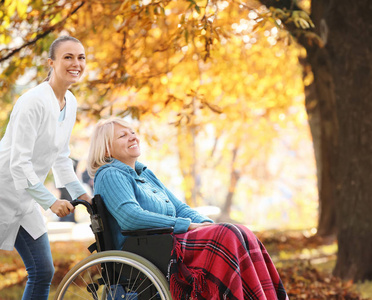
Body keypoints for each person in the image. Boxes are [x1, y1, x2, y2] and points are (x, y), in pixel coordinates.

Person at [87, 118, 288, 300]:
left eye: (132, 132)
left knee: (238, 231)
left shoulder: (144, 174)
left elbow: (179, 208)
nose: (132, 136)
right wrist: (186, 226)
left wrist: (206, 224)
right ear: (106, 150)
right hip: (148, 249)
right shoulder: (110, 174)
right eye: (123, 135)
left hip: (165, 242)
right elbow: (131, 218)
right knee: (227, 234)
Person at [0, 36, 91, 300]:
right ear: (51, 62)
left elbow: (61, 155)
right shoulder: (32, 102)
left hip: (25, 198)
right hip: (4, 188)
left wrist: (80, 193)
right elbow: (19, 163)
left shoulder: (70, 102)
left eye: (81, 57)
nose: (76, 63)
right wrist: (51, 201)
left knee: (42, 270)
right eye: (68, 57)